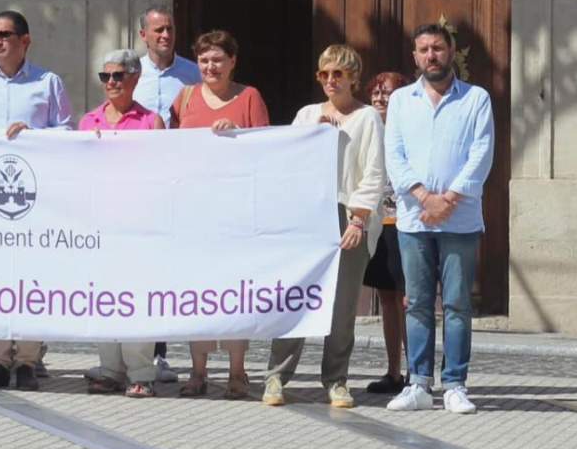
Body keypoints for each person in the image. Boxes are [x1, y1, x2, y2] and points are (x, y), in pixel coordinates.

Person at [264, 45, 387, 409]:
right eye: (324, 74)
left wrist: (359, 219)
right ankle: (276, 375)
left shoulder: (367, 118)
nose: (330, 81)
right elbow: (286, 161)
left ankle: (336, 379)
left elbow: (374, 173)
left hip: (347, 215)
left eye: (338, 74)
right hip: (308, 217)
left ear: (353, 78)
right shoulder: (307, 115)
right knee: (296, 297)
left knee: (342, 305)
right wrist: (311, 138)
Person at [383, 23, 494, 416]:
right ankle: (417, 383)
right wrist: (423, 197)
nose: (431, 55)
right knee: (416, 303)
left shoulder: (476, 99)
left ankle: (455, 384)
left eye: (437, 48)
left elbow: (481, 153)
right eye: (424, 49)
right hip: (415, 220)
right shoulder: (401, 100)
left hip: (459, 220)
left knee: (458, 304)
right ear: (415, 57)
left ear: (451, 52)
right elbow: (394, 154)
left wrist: (447, 199)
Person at [0, 10, 72, 392]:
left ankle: (26, 360)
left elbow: (66, 132)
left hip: (34, 200)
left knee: (30, 277)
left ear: (25, 41)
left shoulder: (48, 82)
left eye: (4, 35)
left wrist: (36, 134)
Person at [170, 29, 269, 398]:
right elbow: (170, 148)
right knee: (197, 292)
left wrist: (238, 134)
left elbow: (267, 148)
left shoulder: (249, 96)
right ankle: (197, 372)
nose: (210, 66)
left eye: (217, 60)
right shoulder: (185, 97)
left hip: (235, 213)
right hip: (194, 212)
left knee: (235, 291)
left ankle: (237, 373)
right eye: (204, 60)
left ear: (233, 62)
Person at [79, 49, 165, 397]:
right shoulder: (89, 122)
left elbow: (161, 172)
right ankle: (110, 369)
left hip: (138, 224)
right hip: (99, 224)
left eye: (118, 75)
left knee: (135, 296)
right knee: (103, 296)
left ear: (135, 78)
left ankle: (141, 372)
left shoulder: (151, 122)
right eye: (105, 76)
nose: (111, 82)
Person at [134, 5, 199, 382]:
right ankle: (143, 349)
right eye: (157, 30)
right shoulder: (130, 73)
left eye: (170, 29)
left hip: (179, 182)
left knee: (174, 267)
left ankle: (171, 352)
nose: (165, 35)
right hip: (139, 184)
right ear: (143, 34)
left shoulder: (193, 74)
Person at [362, 71, 409, 394]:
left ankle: (417, 371)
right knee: (387, 298)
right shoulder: (367, 127)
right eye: (376, 93)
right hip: (376, 222)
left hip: (404, 222)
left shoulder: (407, 129)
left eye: (387, 93)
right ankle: (393, 371)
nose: (380, 98)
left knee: (407, 299)